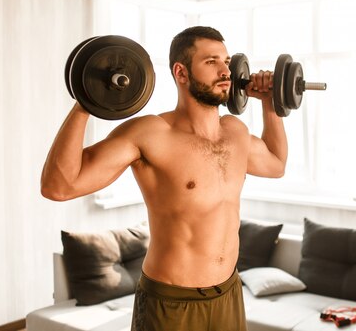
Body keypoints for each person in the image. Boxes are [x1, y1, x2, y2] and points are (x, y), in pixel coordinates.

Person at [41, 26, 288, 331]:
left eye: (226, 60)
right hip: (171, 303)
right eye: (211, 62)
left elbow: (276, 165)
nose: (226, 71)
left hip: (228, 293)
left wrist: (269, 104)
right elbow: (59, 186)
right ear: (181, 73)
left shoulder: (235, 132)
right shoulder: (151, 134)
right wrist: (86, 102)